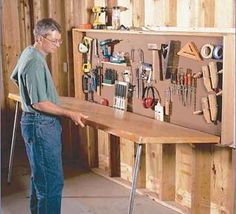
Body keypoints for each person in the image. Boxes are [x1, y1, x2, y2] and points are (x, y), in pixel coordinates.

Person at [10, 18, 88, 214]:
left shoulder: (29, 52)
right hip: (41, 125)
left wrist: (32, 93)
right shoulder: (34, 61)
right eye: (54, 41)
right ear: (40, 38)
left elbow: (14, 77)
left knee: (41, 180)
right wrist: (69, 113)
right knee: (51, 185)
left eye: (59, 40)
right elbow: (39, 103)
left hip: (36, 123)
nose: (58, 45)